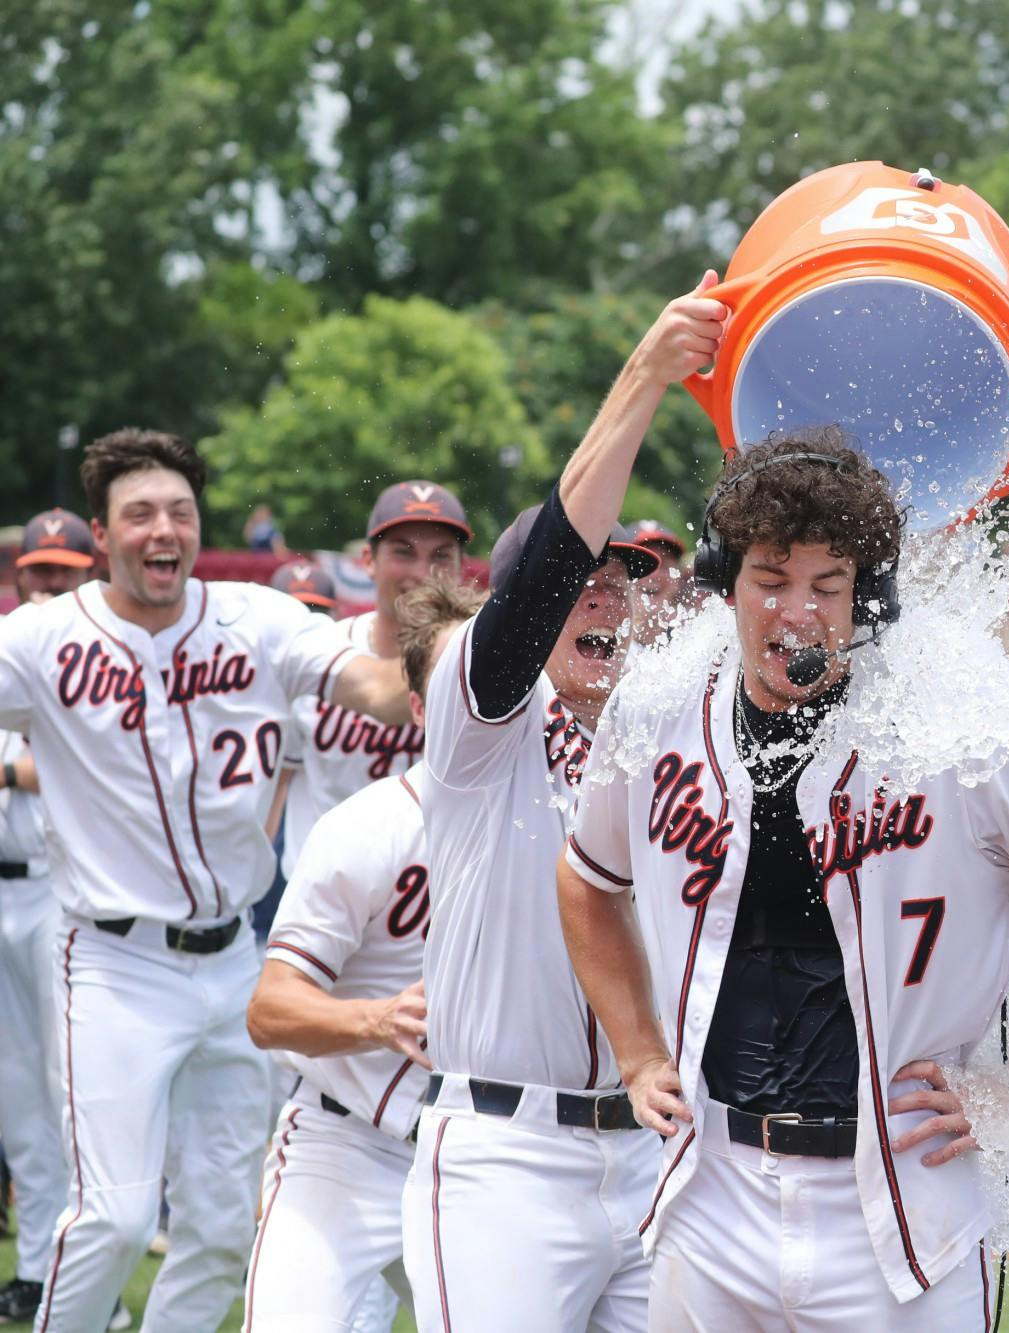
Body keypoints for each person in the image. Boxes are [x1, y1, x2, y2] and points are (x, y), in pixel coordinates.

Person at [558, 432, 1009, 1329]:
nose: (797, 612)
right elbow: (585, 879)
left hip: (902, 1199)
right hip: (710, 1189)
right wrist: (638, 1048)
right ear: (726, 581)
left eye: (828, 587)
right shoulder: (658, 705)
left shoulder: (961, 717)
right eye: (771, 578)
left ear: (871, 599)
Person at [0, 430, 411, 1333]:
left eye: (180, 511)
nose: (164, 528)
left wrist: (460, 645)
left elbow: (378, 691)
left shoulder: (256, 619)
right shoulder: (41, 639)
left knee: (224, 1228)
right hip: (111, 962)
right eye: (139, 513)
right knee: (112, 1215)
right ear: (103, 538)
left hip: (234, 963)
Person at [397, 273, 732, 1333]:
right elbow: (541, 572)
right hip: (504, 1157)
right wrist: (644, 375)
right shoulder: (480, 719)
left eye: (627, 576)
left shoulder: (676, 735)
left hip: (655, 1155)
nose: (604, 590)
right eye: (586, 573)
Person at [239, 576, 486, 1330]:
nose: (476, 702)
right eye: (452, 687)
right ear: (417, 709)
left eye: (493, 678)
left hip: (485, 1151)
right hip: (344, 1142)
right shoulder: (368, 826)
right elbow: (269, 1009)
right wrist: (376, 1018)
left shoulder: (564, 821)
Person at [272, 483, 467, 884]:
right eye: (403, 552)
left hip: (431, 905)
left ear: (462, 565)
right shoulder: (321, 651)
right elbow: (280, 781)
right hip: (323, 899)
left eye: (441, 556)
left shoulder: (476, 662)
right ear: (367, 559)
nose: (422, 572)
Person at [0, 511, 94, 1322]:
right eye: (40, 570)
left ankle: (86, 1272)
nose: (50, 584)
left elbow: (50, 763)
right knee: (17, 1094)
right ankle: (35, 1267)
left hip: (57, 889)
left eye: (65, 570)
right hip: (2, 890)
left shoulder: (90, 654)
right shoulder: (14, 649)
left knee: (72, 1091)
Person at [628, 518, 689, 644]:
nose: (654, 575)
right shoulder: (594, 645)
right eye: (642, 565)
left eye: (665, 564)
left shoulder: (695, 642)